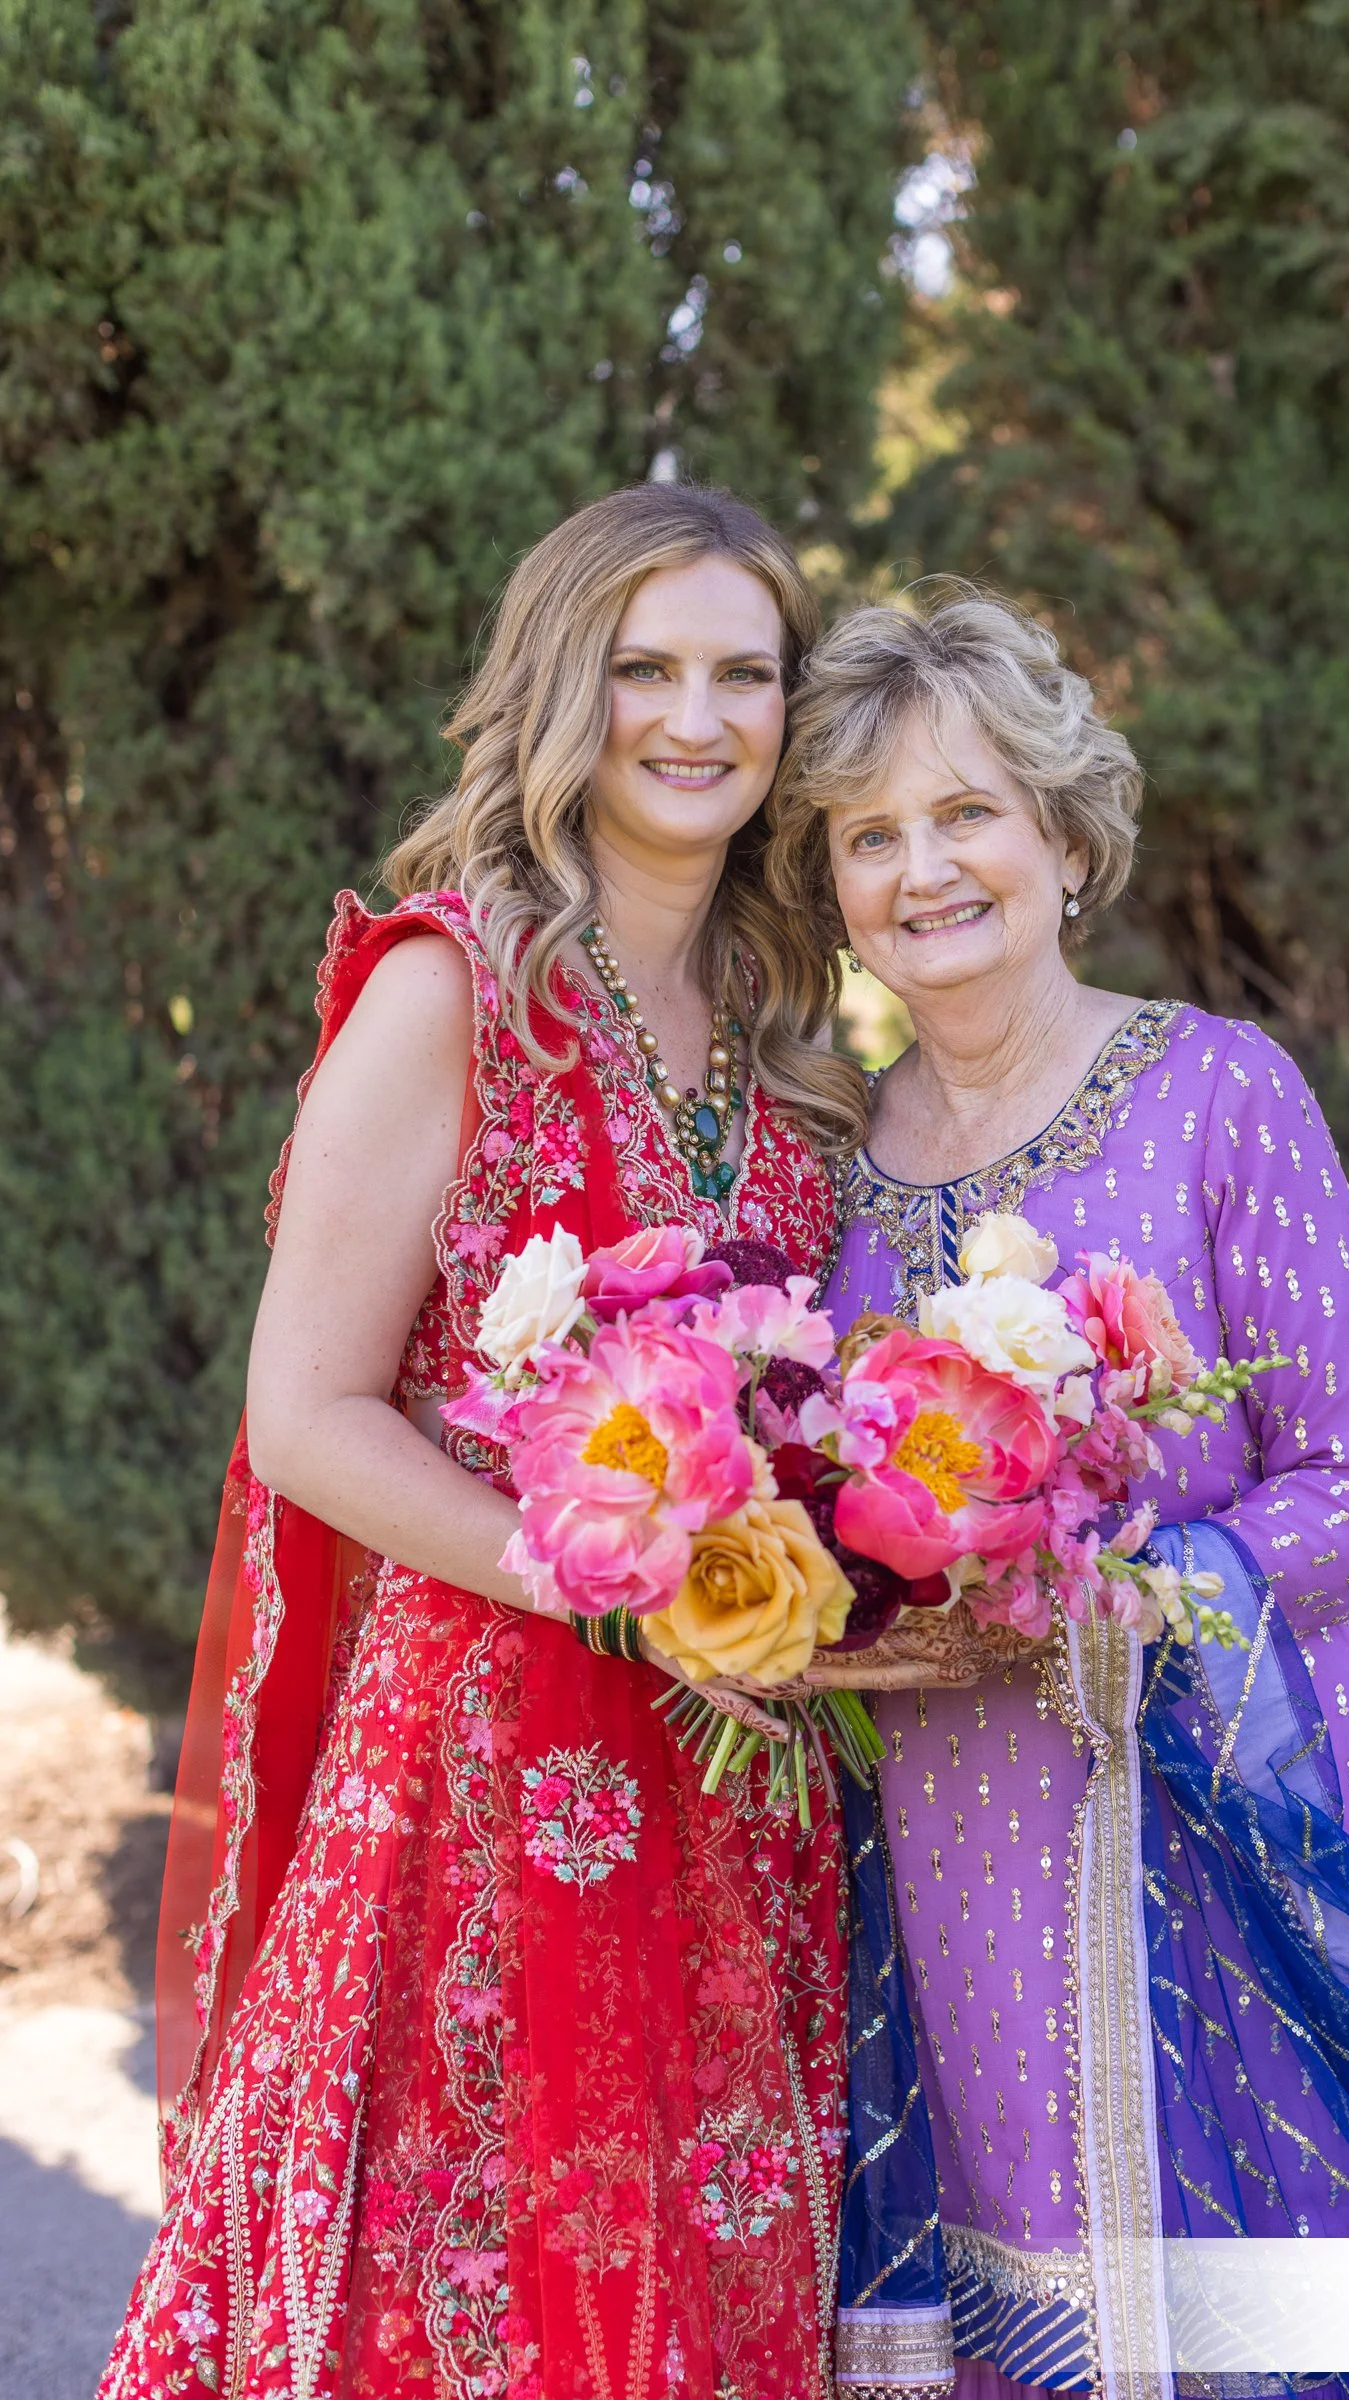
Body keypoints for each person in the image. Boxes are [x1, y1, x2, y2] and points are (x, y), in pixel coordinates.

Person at [768, 589, 1349, 2400]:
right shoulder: (823, 1169)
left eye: (967, 812)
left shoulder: (1219, 1094)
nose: (924, 870)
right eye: (871, 836)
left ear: (1064, 836)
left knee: (1274, 2332)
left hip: (1231, 1815)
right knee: (1031, 2318)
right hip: (946, 1850)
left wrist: (1134, 1584)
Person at [100, 483, 867, 2400]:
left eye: (744, 674)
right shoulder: (453, 986)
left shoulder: (787, 1028)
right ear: (561, 685)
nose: (698, 719)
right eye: (646, 668)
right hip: (490, 1776)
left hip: (744, 1786)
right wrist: (613, 1587)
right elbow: (305, 1414)